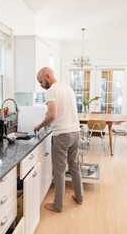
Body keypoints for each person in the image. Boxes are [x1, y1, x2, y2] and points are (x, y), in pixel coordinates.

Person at [34, 67, 83, 213]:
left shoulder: (51, 91)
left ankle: (58, 205)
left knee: (59, 172)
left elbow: (52, 115)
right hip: (75, 133)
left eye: (41, 81)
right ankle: (79, 196)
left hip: (62, 135)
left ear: (48, 76)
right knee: (74, 166)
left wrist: (39, 125)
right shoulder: (67, 87)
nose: (41, 85)